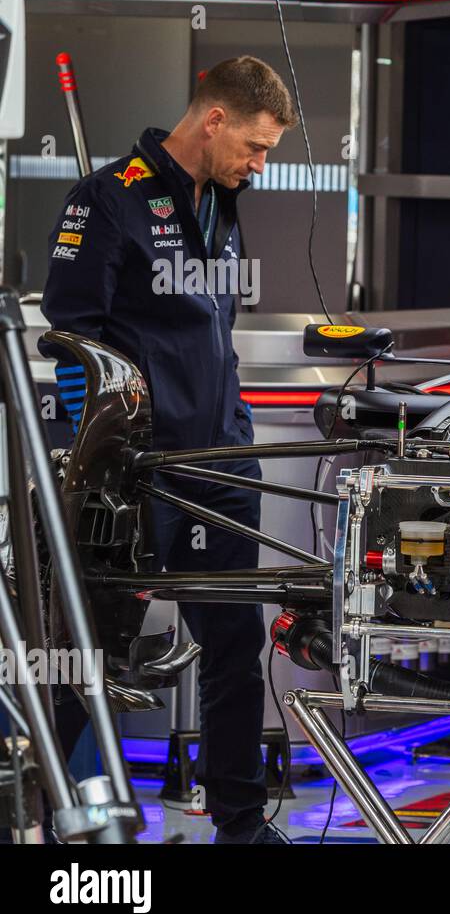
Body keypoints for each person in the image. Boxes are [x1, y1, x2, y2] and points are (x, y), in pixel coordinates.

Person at [41, 56, 298, 843]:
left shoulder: (223, 203)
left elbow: (209, 333)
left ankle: (241, 825)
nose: (259, 166)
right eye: (254, 147)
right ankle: (49, 822)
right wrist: (100, 457)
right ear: (213, 119)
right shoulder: (106, 201)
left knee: (233, 646)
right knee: (85, 658)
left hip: (220, 464)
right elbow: (67, 336)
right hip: (132, 473)